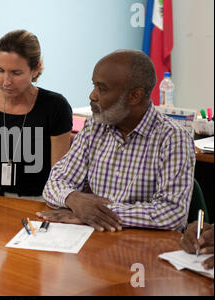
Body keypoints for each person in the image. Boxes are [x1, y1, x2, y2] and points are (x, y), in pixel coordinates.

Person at [40, 50, 195, 232]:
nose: (92, 95)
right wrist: (73, 199)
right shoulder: (94, 127)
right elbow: (54, 183)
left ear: (135, 96)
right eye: (94, 86)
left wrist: (94, 212)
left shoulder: (173, 138)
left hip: (145, 248)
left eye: (102, 88)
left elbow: (172, 213)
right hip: (97, 240)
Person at [0, 30, 73, 200]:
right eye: (0, 70)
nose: (6, 81)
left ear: (36, 69)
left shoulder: (55, 106)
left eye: (16, 73)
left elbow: (58, 174)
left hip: (42, 200)